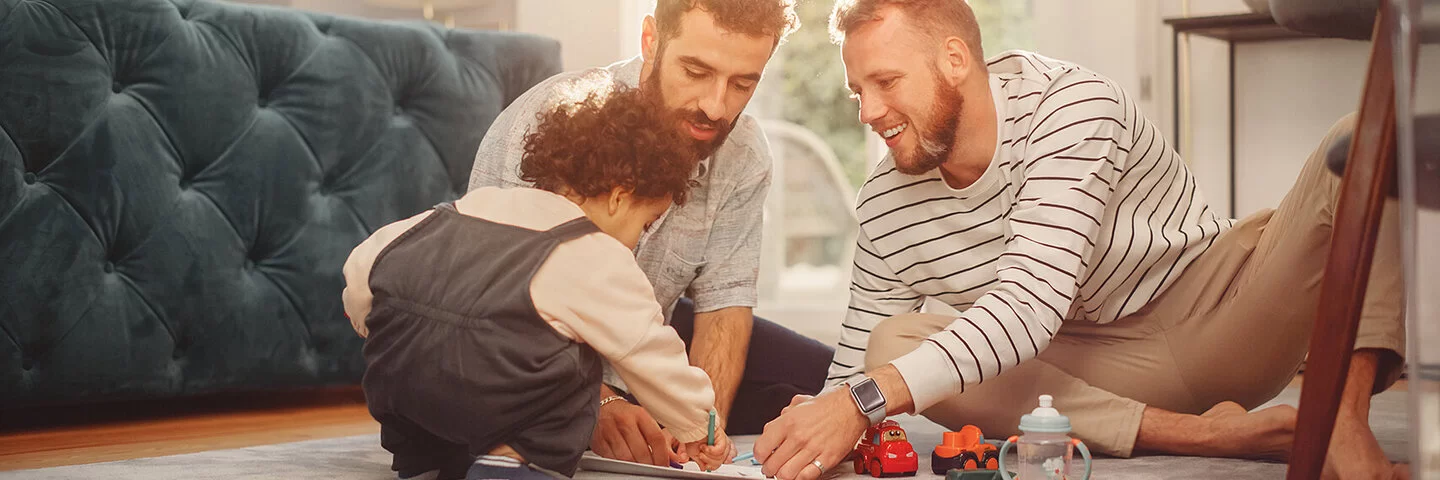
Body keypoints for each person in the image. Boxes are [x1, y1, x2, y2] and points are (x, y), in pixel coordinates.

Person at [754, 1, 1407, 480]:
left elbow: (1028, 307)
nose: (867, 113)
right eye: (857, 92)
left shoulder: (1069, 105)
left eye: (886, 83)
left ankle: (1342, 422)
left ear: (955, 59)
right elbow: (853, 374)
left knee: (1367, 133)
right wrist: (814, 421)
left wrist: (862, 400)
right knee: (890, 345)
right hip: (1092, 373)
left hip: (1218, 310)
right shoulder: (885, 201)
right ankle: (1209, 435)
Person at [466, 0, 836, 467]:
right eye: (696, 71)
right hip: (526, 340)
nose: (715, 106)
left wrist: (700, 432)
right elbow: (491, 311)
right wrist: (595, 401)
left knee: (827, 385)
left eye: (742, 83)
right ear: (650, 41)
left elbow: (725, 306)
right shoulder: (548, 124)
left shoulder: (743, 153)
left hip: (651, 328)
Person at [343, 85, 733, 480]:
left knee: (427, 353)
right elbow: (650, 353)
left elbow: (365, 266)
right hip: (495, 400)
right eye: (645, 225)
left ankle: (426, 464)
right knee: (579, 374)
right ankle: (512, 460)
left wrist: (368, 320)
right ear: (618, 198)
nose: (639, 240)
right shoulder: (593, 252)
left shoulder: (465, 209)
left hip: (399, 389)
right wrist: (700, 425)